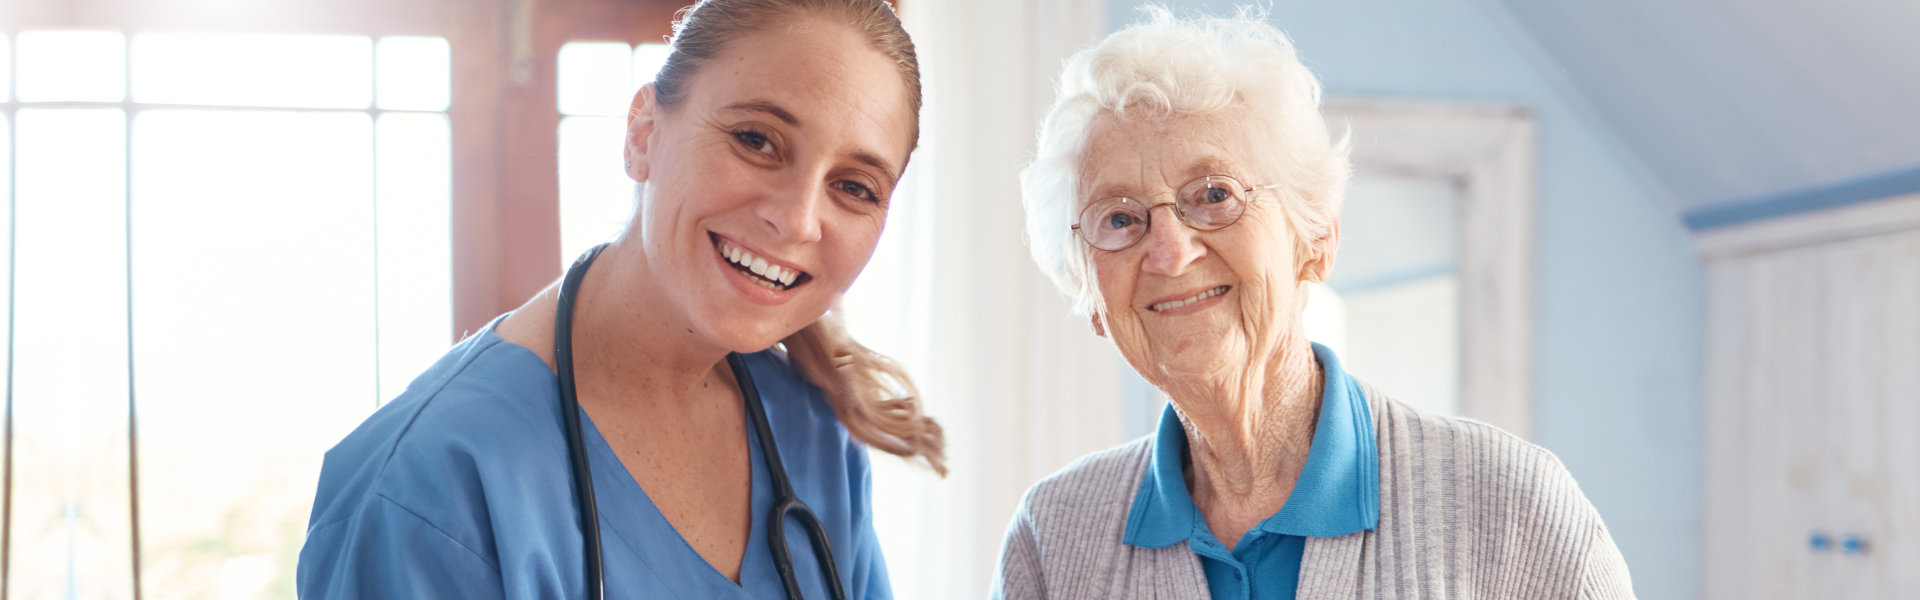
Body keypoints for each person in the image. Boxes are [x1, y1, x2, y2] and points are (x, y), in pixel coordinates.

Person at [297, 1, 943, 597]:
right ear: (642, 133)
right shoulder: (429, 489)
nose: (799, 220)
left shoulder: (812, 437)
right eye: (757, 140)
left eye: (854, 186)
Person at [993, 9, 1633, 600]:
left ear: (1316, 240)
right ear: (1093, 296)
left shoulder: (1512, 510)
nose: (1169, 251)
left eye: (1214, 194)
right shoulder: (1053, 540)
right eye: (1119, 217)